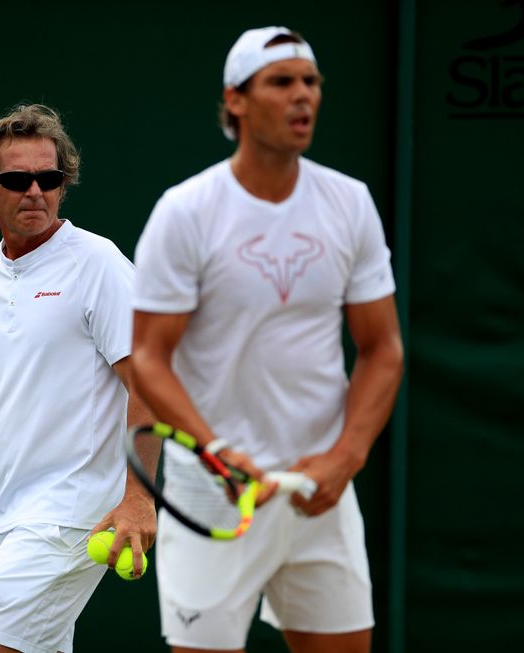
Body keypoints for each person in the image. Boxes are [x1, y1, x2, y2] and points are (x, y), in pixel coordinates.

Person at [129, 26, 405, 653]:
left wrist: (347, 457)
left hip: (319, 489)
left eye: (311, 82)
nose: (302, 95)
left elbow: (383, 348)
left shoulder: (350, 203)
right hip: (214, 491)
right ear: (236, 101)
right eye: (281, 82)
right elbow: (148, 358)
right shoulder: (187, 211)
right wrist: (216, 450)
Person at [0, 103, 157, 653]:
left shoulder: (98, 264)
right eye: (17, 179)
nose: (35, 191)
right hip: (7, 518)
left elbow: (149, 384)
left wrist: (139, 498)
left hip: (73, 518)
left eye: (50, 178)